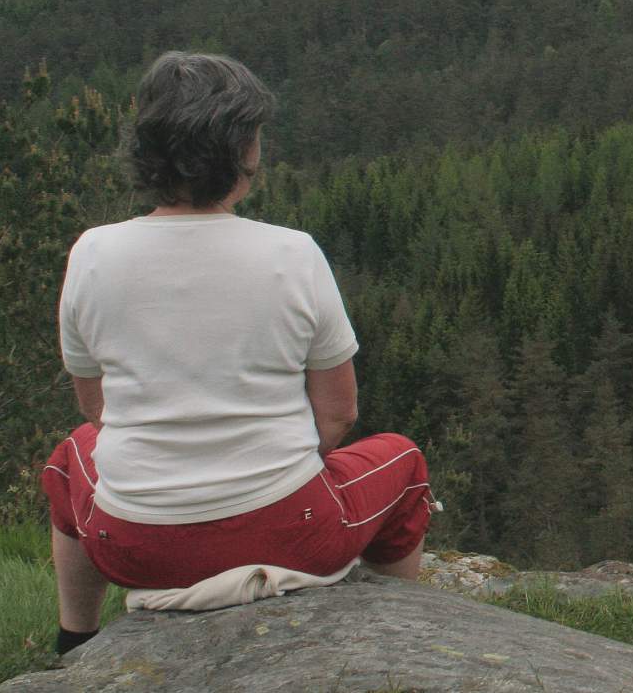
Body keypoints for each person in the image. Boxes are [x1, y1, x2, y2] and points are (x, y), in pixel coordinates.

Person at [41, 51, 433, 654]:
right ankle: (405, 637)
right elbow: (338, 415)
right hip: (290, 530)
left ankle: (75, 640)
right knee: (401, 462)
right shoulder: (293, 254)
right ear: (242, 153)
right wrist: (268, 469)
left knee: (72, 457)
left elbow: (99, 411)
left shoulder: (92, 254)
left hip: (134, 546)